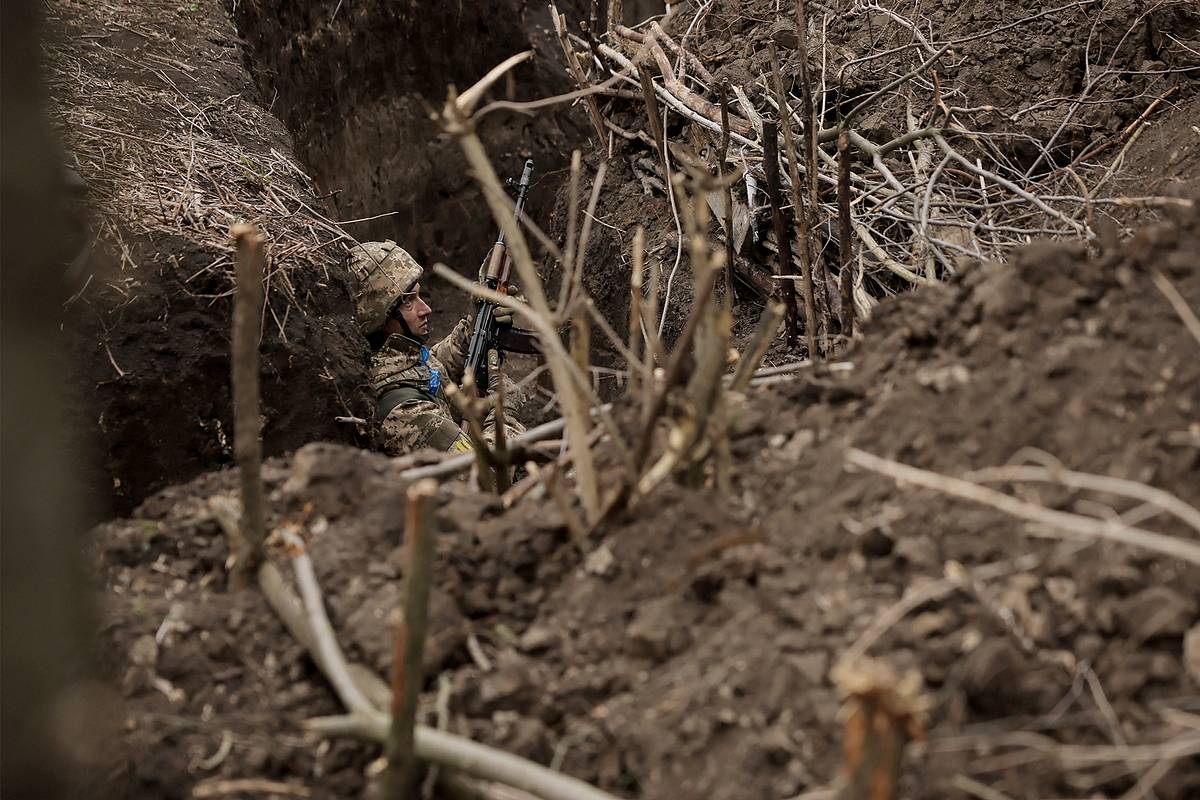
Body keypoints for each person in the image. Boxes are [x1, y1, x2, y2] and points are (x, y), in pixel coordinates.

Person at [347, 239, 524, 456]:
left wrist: (475, 325)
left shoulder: (389, 357)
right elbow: (487, 476)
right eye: (409, 302)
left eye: (420, 296)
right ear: (380, 315)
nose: (426, 309)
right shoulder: (404, 411)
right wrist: (505, 415)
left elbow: (429, 369)